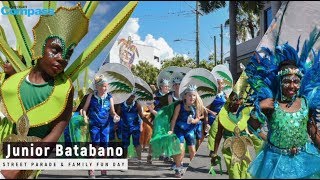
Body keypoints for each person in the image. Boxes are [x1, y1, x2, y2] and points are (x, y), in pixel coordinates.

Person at [0, 5, 89, 178]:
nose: (62, 58)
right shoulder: (13, 84)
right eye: (55, 50)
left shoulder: (64, 90)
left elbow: (54, 135)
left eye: (68, 54)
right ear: (40, 47)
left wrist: (19, 167)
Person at [245, 42, 320, 178]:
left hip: (304, 161)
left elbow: (313, 131)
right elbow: (251, 126)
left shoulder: (305, 102)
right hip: (275, 163)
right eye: (287, 81)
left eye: (296, 81)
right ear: (280, 82)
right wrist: (259, 106)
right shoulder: (271, 104)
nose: (292, 86)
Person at [81, 75, 120, 178]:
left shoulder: (109, 97)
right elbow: (85, 109)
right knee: (95, 146)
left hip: (106, 125)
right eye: (103, 86)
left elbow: (112, 112)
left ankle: (103, 167)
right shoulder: (91, 96)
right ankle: (92, 170)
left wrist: (115, 116)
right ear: (97, 87)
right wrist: (85, 117)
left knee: (105, 147)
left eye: (106, 86)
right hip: (94, 125)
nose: (105, 88)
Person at [169, 84, 205, 178]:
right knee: (180, 149)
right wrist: (171, 130)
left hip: (190, 130)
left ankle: (192, 169)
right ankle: (178, 168)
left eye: (194, 95)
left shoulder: (196, 107)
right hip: (179, 130)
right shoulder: (179, 106)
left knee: (193, 151)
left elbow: (198, 118)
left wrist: (194, 121)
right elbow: (173, 119)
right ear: (185, 96)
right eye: (190, 95)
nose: (192, 97)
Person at [116, 93, 153, 164]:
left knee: (137, 143)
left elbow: (142, 116)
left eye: (133, 96)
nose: (132, 98)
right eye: (130, 96)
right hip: (124, 127)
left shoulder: (137, 104)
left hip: (135, 127)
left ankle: (139, 160)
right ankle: (124, 159)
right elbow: (117, 115)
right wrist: (116, 124)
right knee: (125, 144)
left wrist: (150, 124)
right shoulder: (121, 105)